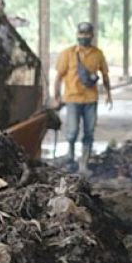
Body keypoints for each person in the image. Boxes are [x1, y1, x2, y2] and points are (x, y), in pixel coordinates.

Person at [53, 22, 112, 173]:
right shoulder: (68, 53)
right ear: (77, 35)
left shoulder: (98, 54)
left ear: (92, 35)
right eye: (81, 34)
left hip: (90, 100)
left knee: (89, 132)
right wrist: (57, 96)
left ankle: (83, 164)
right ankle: (70, 156)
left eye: (87, 34)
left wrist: (109, 94)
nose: (84, 37)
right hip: (72, 98)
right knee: (72, 131)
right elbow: (58, 77)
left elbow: (105, 75)